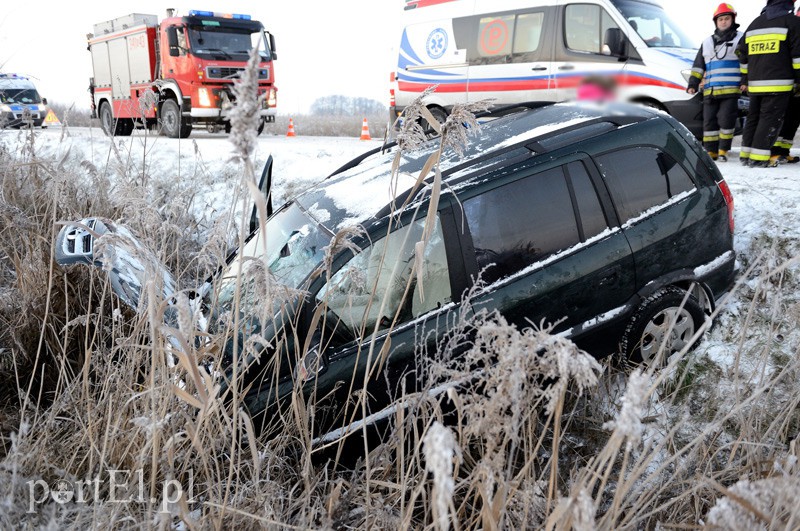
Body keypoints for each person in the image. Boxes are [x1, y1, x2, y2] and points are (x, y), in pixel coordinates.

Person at [737, 0, 800, 167]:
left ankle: (746, 155)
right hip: (779, 84)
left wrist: (746, 76)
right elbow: (798, 56)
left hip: (756, 83)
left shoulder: (755, 23)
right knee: (769, 119)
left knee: (754, 118)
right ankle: (759, 158)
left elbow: (741, 52)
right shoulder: (792, 22)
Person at [687, 4, 744, 162]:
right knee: (709, 122)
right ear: (716, 22)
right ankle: (710, 151)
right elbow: (698, 66)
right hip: (710, 92)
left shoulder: (741, 39)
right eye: (721, 19)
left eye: (727, 18)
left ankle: (723, 150)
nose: (724, 22)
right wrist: (693, 84)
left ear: (733, 20)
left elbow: (747, 63)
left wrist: (745, 81)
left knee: (726, 121)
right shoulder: (707, 42)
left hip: (730, 91)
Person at [771, 5, 800, 163]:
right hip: (789, 83)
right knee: (784, 119)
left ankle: (784, 150)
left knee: (793, 121)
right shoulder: (791, 30)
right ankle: (775, 151)